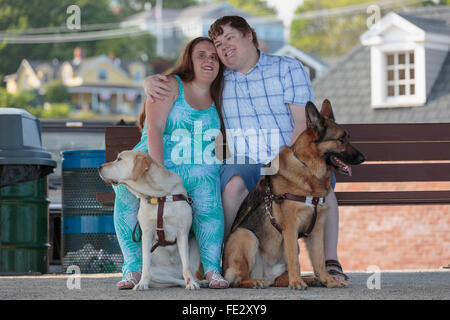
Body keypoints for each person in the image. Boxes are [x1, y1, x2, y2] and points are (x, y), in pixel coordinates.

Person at [144, 16, 349, 282]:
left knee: (324, 187)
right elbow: (184, 82)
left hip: (288, 160)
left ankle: (331, 263)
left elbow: (302, 124)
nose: (224, 47)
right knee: (233, 185)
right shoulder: (218, 78)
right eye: (218, 43)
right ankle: (217, 262)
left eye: (230, 38)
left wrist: (287, 167)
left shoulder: (287, 68)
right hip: (245, 161)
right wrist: (150, 82)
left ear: (250, 36)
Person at [113, 37, 229, 289]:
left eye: (214, 57)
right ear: (189, 59)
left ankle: (211, 269)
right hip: (156, 159)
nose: (209, 60)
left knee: (208, 188)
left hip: (197, 163)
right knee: (126, 190)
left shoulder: (219, 92)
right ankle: (132, 269)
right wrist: (158, 172)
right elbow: (154, 127)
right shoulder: (169, 84)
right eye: (202, 55)